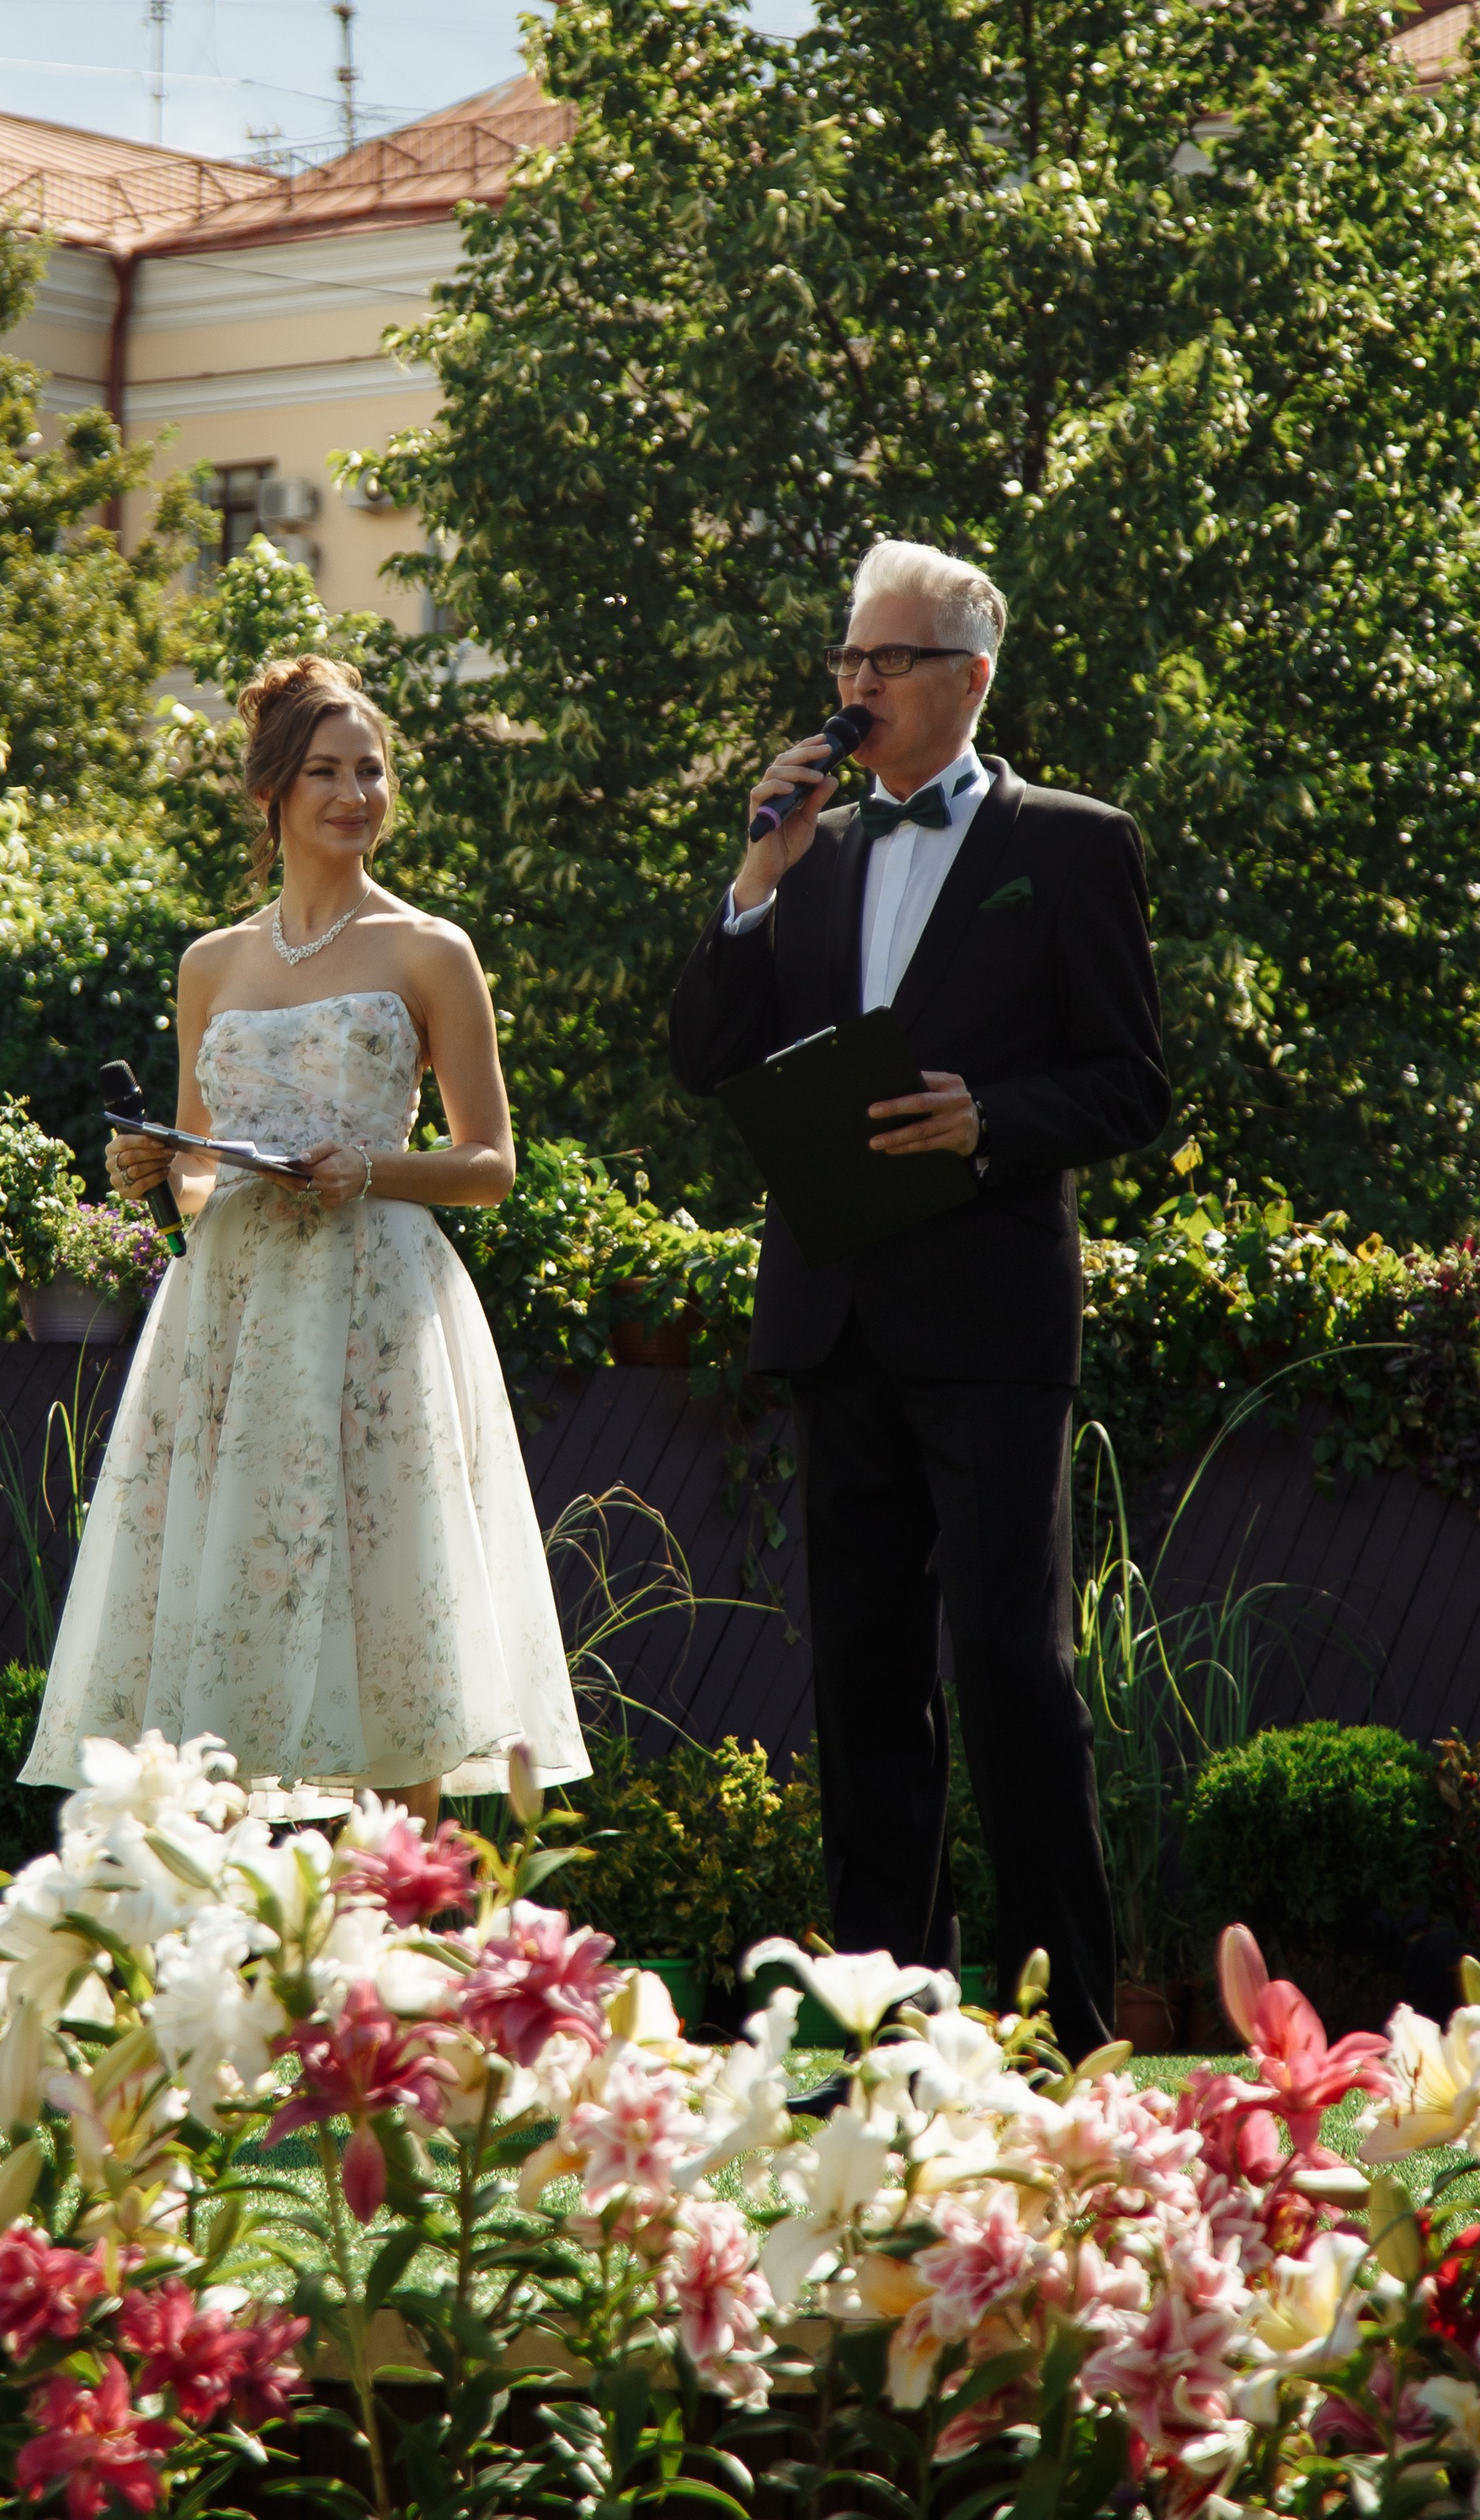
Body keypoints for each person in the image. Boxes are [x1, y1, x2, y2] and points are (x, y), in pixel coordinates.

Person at [667, 539, 1169, 2060]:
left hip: (995, 1323)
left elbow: (1133, 1084)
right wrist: (754, 875)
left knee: (1014, 1675)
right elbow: (701, 1055)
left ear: (971, 678)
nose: (857, 687)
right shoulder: (802, 848)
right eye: (848, 662)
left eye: (888, 662)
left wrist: (991, 1120)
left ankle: (1063, 2037)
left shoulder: (1074, 845)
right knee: (869, 1688)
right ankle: (889, 2048)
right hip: (837, 1316)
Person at [21, 651, 586, 1822]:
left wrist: (372, 1167)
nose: (355, 793)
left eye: (372, 771)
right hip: (232, 1316)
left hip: (379, 1306)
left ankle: (406, 1937)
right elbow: (191, 1170)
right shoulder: (209, 964)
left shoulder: (432, 951)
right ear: (272, 790)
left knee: (391, 1592)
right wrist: (154, 1170)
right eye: (327, 770)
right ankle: (229, 1929)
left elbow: (493, 1164)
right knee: (226, 1588)